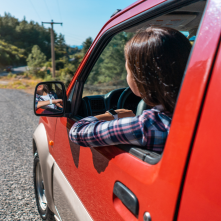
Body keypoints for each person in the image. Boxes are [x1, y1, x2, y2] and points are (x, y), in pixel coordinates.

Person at [69, 27, 192, 153]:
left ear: (142, 78)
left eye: (128, 72)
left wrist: (114, 115)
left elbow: (77, 131)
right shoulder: (204, 113)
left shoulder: (146, 126)